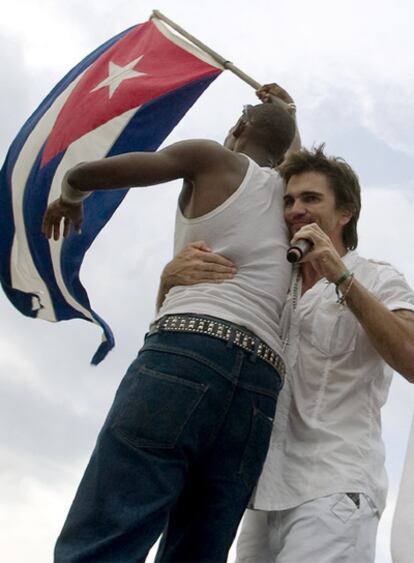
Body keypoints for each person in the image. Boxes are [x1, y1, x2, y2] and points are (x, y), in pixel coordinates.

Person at [42, 97, 297, 562]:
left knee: (109, 531)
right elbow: (295, 155)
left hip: (188, 350)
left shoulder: (212, 158)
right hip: (260, 388)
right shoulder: (293, 201)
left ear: (238, 125)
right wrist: (288, 116)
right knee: (199, 550)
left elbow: (101, 172)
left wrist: (71, 192)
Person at [159, 145, 414, 562]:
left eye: (311, 199)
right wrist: (168, 282)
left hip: (332, 486)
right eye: (289, 200)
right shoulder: (272, 281)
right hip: (260, 496)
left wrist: (340, 276)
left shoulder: (378, 277)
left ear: (346, 212)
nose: (295, 209)